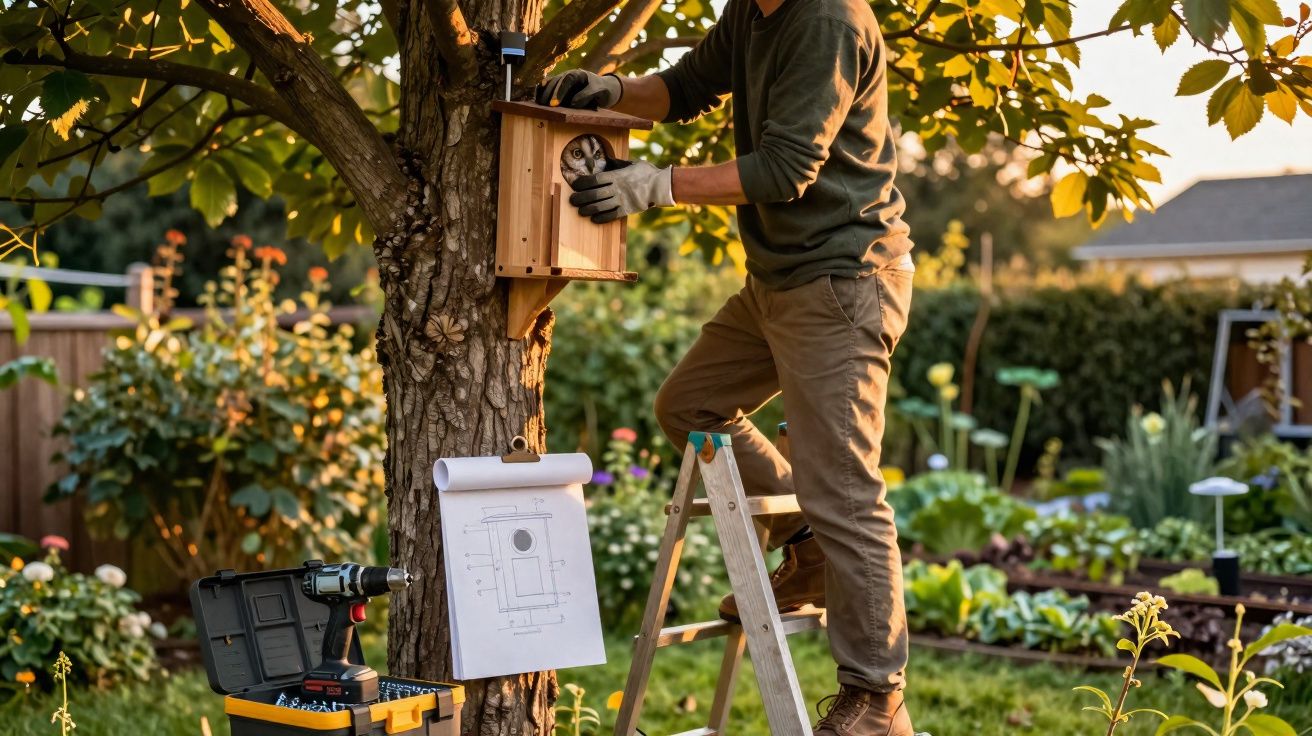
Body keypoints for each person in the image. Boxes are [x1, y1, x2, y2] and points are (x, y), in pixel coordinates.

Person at [538, 0, 915, 731]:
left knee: (844, 487)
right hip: (777, 282)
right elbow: (683, 89)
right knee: (691, 404)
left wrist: (656, 186)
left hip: (843, 279)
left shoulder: (825, 19)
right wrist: (614, 91)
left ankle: (876, 698)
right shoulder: (752, 11)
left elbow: (785, 169)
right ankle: (805, 554)